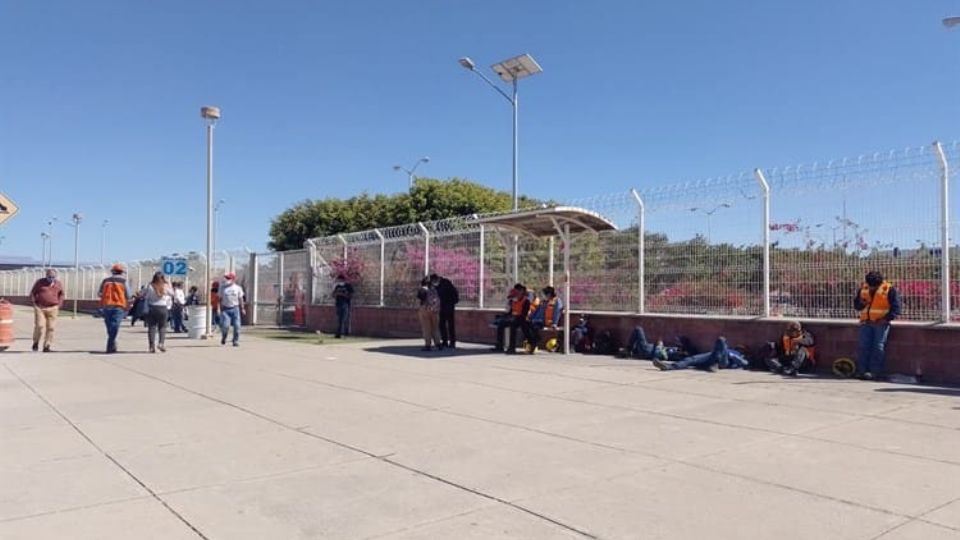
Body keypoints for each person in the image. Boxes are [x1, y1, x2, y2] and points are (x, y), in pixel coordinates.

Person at [854, 271, 901, 381]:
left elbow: (896, 309)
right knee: (863, 347)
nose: (871, 287)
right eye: (870, 285)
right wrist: (861, 304)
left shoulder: (889, 290)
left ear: (879, 283)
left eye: (874, 286)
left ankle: (874, 372)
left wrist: (885, 319)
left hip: (881, 324)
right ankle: (862, 371)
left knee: (878, 347)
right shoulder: (863, 289)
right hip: (865, 323)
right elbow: (856, 306)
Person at [653, 337, 748, 371]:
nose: (738, 347)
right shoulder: (728, 349)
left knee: (721, 340)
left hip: (723, 361)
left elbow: (744, 363)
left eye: (740, 347)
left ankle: (715, 363)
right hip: (711, 355)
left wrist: (733, 356)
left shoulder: (739, 355)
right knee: (691, 359)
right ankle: (669, 367)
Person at [98, 263, 132, 354]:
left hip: (106, 305)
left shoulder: (105, 281)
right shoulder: (124, 281)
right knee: (115, 326)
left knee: (110, 326)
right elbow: (129, 295)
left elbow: (99, 293)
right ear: (121, 272)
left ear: (112, 272)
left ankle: (112, 344)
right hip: (119, 306)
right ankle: (110, 345)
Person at [29, 268, 64, 352]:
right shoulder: (40, 282)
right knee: (40, 325)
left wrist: (59, 304)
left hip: (53, 308)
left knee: (51, 327)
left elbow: (61, 294)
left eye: (53, 277)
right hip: (40, 307)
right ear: (46, 276)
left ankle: (47, 346)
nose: (51, 279)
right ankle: (36, 342)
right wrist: (34, 303)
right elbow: (33, 293)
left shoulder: (58, 284)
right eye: (49, 277)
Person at [492, 284, 531, 353]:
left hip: (522, 320)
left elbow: (524, 314)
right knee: (501, 324)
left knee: (513, 326)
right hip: (513, 318)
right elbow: (510, 312)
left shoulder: (526, 301)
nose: (517, 293)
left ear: (521, 291)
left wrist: (514, 318)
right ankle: (499, 346)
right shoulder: (513, 301)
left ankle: (512, 347)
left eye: (518, 291)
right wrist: (506, 316)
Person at [526, 286, 564, 351]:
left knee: (534, 327)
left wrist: (555, 323)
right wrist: (530, 317)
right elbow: (536, 310)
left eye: (545, 294)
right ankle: (533, 342)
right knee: (527, 326)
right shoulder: (544, 302)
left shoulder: (557, 301)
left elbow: (557, 312)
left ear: (549, 294)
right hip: (537, 320)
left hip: (546, 322)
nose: (543, 296)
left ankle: (534, 342)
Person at [143, 272, 173, 353]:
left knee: (152, 327)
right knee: (162, 327)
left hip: (152, 308)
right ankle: (161, 343)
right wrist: (169, 285)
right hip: (163, 308)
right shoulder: (165, 285)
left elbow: (145, 296)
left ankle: (151, 346)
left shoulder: (150, 285)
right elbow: (172, 294)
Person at [430, 273, 459, 349]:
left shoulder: (446, 283)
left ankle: (452, 342)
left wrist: (452, 303)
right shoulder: (437, 286)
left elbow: (454, 293)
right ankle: (445, 341)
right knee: (441, 324)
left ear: (437, 279)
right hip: (441, 307)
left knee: (450, 325)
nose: (434, 283)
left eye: (434, 281)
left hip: (449, 306)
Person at [219, 271, 246, 346]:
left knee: (237, 326)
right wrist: (219, 309)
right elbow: (220, 299)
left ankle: (235, 341)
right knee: (225, 326)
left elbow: (240, 299)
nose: (227, 279)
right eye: (226, 278)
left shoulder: (238, 288)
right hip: (225, 309)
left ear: (233, 279)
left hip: (235, 309)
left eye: (228, 278)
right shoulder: (222, 288)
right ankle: (224, 337)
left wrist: (242, 308)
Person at [416, 277, 442, 351]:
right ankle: (438, 343)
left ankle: (428, 345)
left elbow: (420, 299)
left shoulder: (422, 289)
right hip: (435, 310)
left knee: (426, 328)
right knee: (435, 328)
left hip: (425, 310)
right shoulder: (434, 290)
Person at [332, 274, 354, 338]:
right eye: (338, 280)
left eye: (340, 280)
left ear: (343, 280)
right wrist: (336, 294)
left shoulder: (348, 286)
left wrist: (343, 295)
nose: (339, 281)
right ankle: (339, 333)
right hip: (338, 304)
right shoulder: (337, 286)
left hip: (345, 304)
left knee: (344, 319)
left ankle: (344, 333)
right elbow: (333, 294)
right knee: (339, 319)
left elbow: (351, 295)